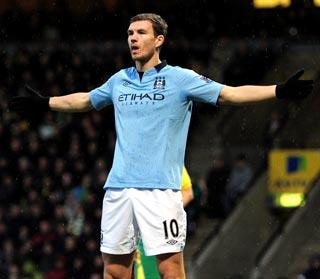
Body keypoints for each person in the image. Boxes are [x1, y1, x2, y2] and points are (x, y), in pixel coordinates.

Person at [8, 13, 314, 279]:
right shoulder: (120, 80)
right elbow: (85, 99)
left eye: (141, 32)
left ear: (159, 40)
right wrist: (46, 103)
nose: (133, 38)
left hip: (161, 191)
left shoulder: (181, 79)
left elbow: (230, 94)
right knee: (114, 271)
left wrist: (278, 90)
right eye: (129, 33)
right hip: (118, 190)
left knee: (169, 270)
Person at [133, 166, 193, 279]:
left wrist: (163, 212)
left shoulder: (170, 157)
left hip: (161, 231)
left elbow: (187, 192)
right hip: (140, 236)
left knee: (167, 270)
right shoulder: (133, 160)